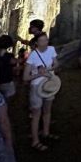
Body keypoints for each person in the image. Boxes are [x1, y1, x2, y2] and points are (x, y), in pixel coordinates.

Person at [23, 22, 58, 150]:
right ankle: (35, 140)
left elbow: (56, 64)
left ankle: (46, 132)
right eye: (42, 41)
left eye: (46, 40)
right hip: (37, 86)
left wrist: (48, 70)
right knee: (36, 113)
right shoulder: (32, 55)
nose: (45, 42)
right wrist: (39, 74)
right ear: (36, 43)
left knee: (48, 110)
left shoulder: (51, 49)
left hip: (49, 85)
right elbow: (25, 77)